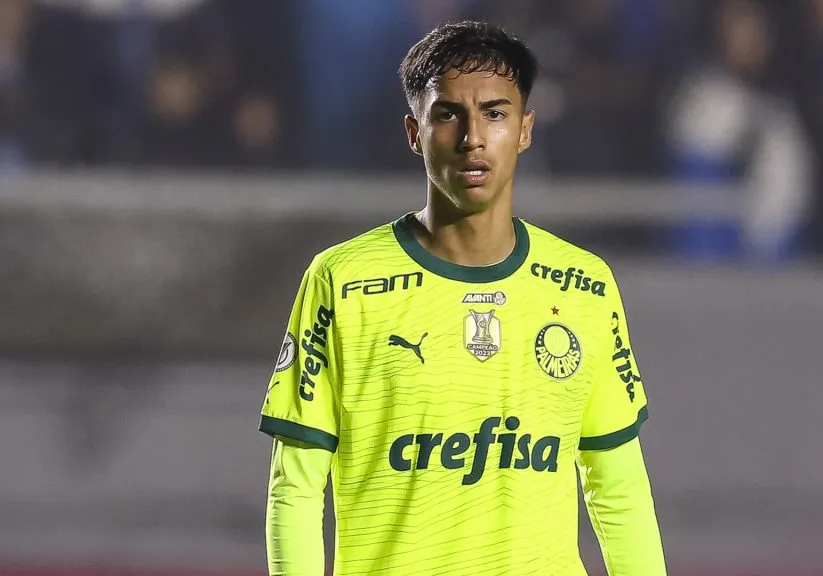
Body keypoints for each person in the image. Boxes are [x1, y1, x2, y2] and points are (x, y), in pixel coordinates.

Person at [260, 21, 667, 576]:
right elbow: (297, 490)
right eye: (448, 114)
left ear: (525, 129)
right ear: (413, 131)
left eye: (495, 114)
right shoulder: (344, 281)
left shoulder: (584, 286)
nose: (473, 136)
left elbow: (617, 487)